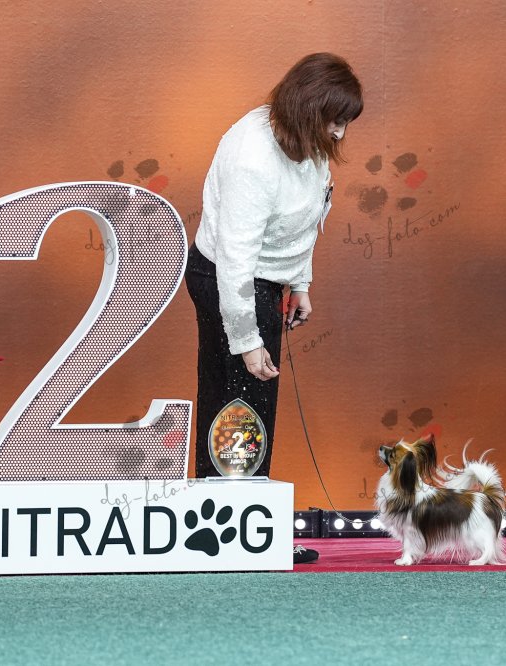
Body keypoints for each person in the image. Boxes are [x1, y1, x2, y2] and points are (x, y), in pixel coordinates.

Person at [185, 53, 363, 564]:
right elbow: (236, 259)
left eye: (345, 121)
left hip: (265, 281)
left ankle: (238, 533)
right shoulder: (253, 158)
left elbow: (303, 221)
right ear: (308, 107)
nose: (340, 132)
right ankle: (240, 537)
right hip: (230, 281)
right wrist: (246, 339)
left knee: (243, 406)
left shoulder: (309, 142)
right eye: (334, 119)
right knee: (242, 406)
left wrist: (299, 283)